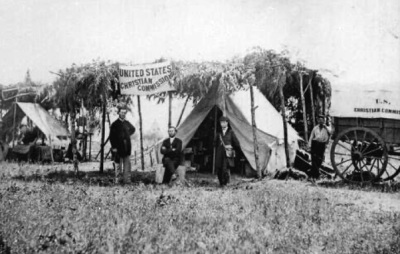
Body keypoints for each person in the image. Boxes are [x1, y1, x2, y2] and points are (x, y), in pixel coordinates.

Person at [109, 107, 136, 184]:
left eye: (124, 113)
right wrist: (114, 147)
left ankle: (127, 180)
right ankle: (118, 180)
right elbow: (111, 137)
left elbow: (133, 129)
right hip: (118, 147)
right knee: (118, 165)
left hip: (126, 146)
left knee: (127, 164)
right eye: (122, 112)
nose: (123, 114)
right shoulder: (114, 124)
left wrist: (127, 135)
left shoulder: (127, 123)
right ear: (119, 113)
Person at [215, 116, 239, 187]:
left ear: (227, 123)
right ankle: (221, 183)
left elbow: (236, 143)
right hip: (219, 153)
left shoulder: (231, 132)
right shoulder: (219, 133)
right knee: (219, 168)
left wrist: (232, 149)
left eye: (224, 122)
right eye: (221, 122)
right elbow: (214, 143)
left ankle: (225, 183)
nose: (222, 124)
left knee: (225, 168)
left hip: (227, 153)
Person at [308, 115, 331, 180]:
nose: (321, 121)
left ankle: (316, 174)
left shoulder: (326, 128)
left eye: (322, 120)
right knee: (314, 160)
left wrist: (326, 127)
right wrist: (309, 146)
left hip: (322, 145)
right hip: (315, 144)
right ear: (318, 121)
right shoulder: (315, 128)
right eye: (319, 120)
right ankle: (314, 176)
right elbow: (311, 137)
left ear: (324, 121)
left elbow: (331, 133)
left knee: (320, 160)